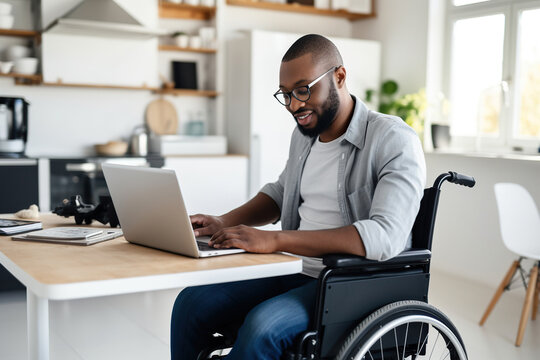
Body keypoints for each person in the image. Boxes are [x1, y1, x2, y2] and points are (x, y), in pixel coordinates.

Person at [170, 34, 426, 360]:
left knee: (263, 328)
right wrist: (223, 221)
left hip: (351, 284)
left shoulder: (393, 140)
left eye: (304, 90)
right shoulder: (304, 138)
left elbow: (384, 236)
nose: (294, 105)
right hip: (294, 268)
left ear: (340, 77)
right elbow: (280, 193)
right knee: (190, 304)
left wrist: (275, 239)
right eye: (286, 95)